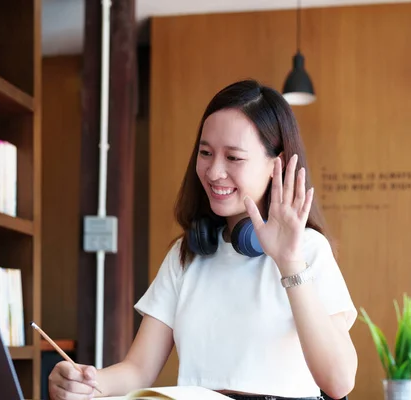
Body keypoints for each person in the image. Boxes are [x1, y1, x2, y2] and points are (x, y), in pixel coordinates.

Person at [48, 79, 358, 400]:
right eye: (206, 153)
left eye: (234, 158)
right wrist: (84, 382)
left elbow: (339, 381)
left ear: (274, 165)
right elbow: (138, 370)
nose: (213, 172)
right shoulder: (186, 255)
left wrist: (288, 262)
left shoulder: (308, 250)